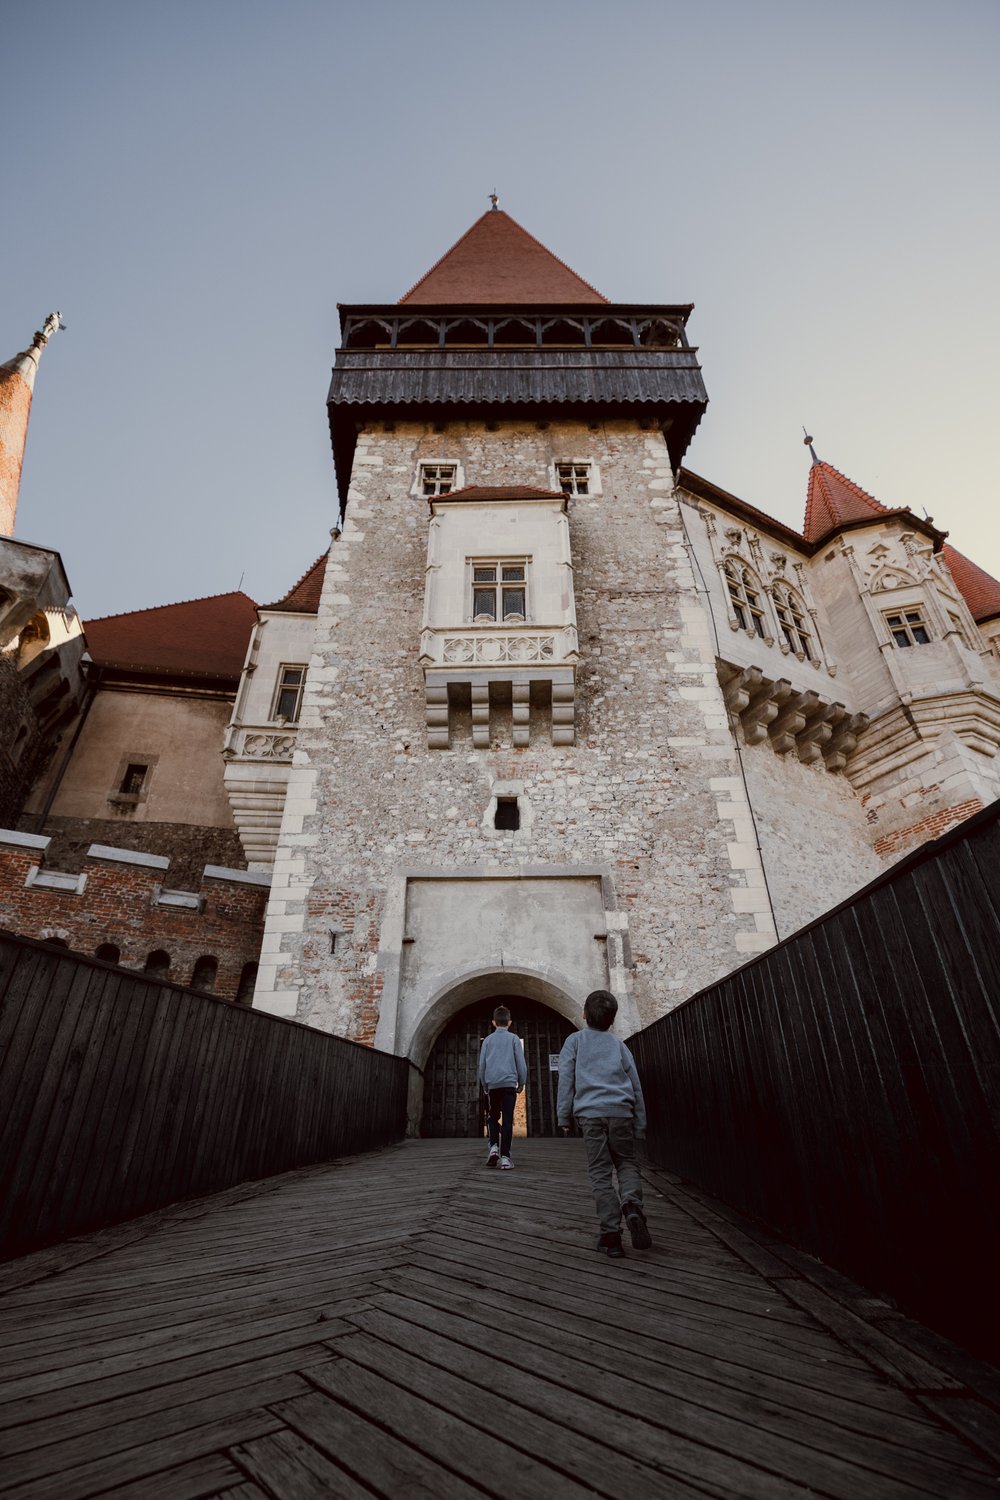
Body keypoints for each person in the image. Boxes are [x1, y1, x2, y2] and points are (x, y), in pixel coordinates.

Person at [557, 989, 652, 1257]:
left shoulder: (574, 1042)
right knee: (626, 1162)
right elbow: (635, 1085)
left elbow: (566, 1080)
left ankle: (611, 1235)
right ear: (612, 1020)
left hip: (590, 1115)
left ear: (584, 1014)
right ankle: (632, 1206)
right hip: (621, 1112)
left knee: (600, 1172)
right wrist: (640, 1122)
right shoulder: (619, 1045)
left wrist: (564, 1116)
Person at [477, 1005, 526, 1170]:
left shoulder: (488, 1040)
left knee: (492, 1116)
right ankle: (505, 1158)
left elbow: (482, 1065)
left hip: (493, 1085)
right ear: (510, 1022)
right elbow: (521, 1063)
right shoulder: (513, 1039)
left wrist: (485, 1084)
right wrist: (522, 1082)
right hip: (509, 1084)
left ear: (493, 1022)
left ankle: (493, 1148)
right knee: (507, 1120)